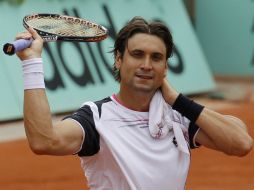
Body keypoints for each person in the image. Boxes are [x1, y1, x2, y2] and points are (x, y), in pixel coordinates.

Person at [15, 16, 252, 190]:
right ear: (119, 60)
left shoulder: (177, 115)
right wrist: (32, 63)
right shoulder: (96, 119)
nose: (147, 65)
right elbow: (43, 140)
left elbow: (241, 143)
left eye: (156, 57)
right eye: (137, 54)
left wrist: (177, 100)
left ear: (165, 67)